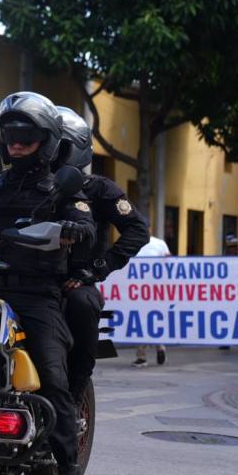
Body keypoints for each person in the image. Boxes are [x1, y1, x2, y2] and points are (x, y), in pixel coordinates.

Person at [0, 92, 96, 475]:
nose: (16, 143)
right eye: (10, 134)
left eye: (27, 135)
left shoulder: (62, 188)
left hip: (35, 295)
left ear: (49, 140)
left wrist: (74, 230)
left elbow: (86, 225)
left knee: (54, 380)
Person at [53, 106, 150, 396]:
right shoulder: (26, 185)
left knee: (83, 304)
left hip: (74, 280)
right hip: (28, 275)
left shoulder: (99, 190)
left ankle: (74, 393)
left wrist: (97, 268)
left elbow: (138, 229)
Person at [130, 237, 171, 367]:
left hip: (156, 290)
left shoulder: (159, 243)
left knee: (153, 319)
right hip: (138, 289)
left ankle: (158, 348)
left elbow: (169, 262)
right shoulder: (131, 241)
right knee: (140, 320)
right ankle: (143, 355)